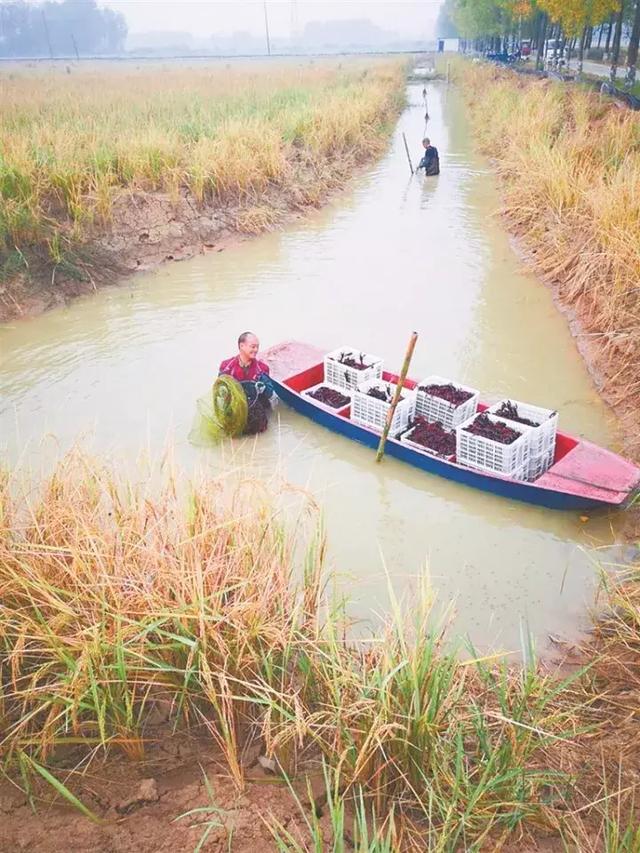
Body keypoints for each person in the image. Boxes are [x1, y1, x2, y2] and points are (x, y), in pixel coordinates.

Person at [219, 332, 272, 434]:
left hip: (256, 411)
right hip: (236, 410)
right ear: (241, 346)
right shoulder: (226, 367)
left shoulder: (262, 368)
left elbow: (270, 394)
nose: (256, 350)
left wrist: (264, 388)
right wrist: (224, 390)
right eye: (253, 347)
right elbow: (220, 392)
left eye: (257, 347)